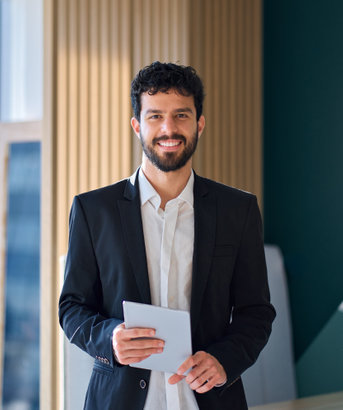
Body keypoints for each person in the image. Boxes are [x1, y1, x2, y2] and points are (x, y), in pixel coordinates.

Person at [59, 61, 276, 410]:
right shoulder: (92, 210)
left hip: (211, 401)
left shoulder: (239, 210)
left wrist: (224, 360)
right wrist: (110, 338)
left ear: (200, 124)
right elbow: (71, 307)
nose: (169, 129)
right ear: (137, 125)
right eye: (155, 116)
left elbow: (257, 312)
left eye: (181, 115)